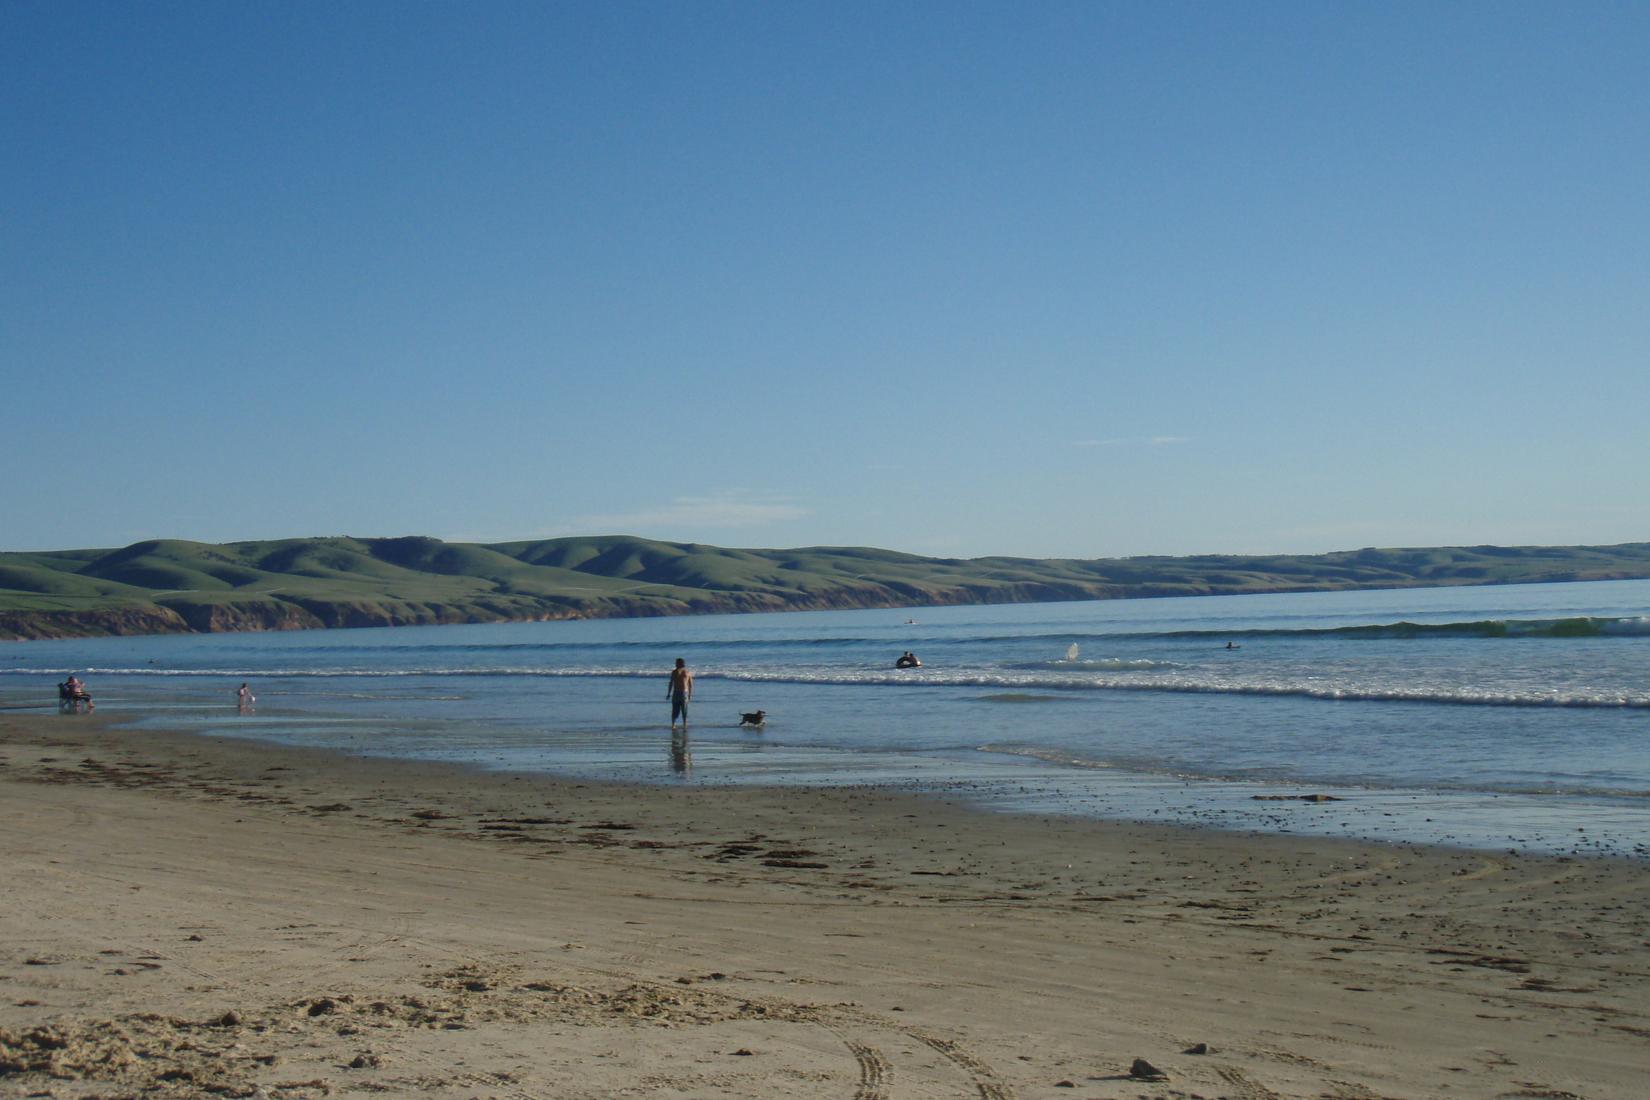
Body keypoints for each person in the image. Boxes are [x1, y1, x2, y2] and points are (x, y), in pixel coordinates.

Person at [667, 657, 693, 727]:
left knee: (684, 709)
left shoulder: (687, 672)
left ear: (680, 663)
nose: (675, 664)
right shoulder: (674, 672)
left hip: (684, 693)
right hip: (677, 692)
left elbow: (690, 684)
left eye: (676, 663)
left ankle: (684, 724)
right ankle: (673, 724)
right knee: (676, 709)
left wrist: (690, 694)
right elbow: (671, 683)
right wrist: (669, 693)